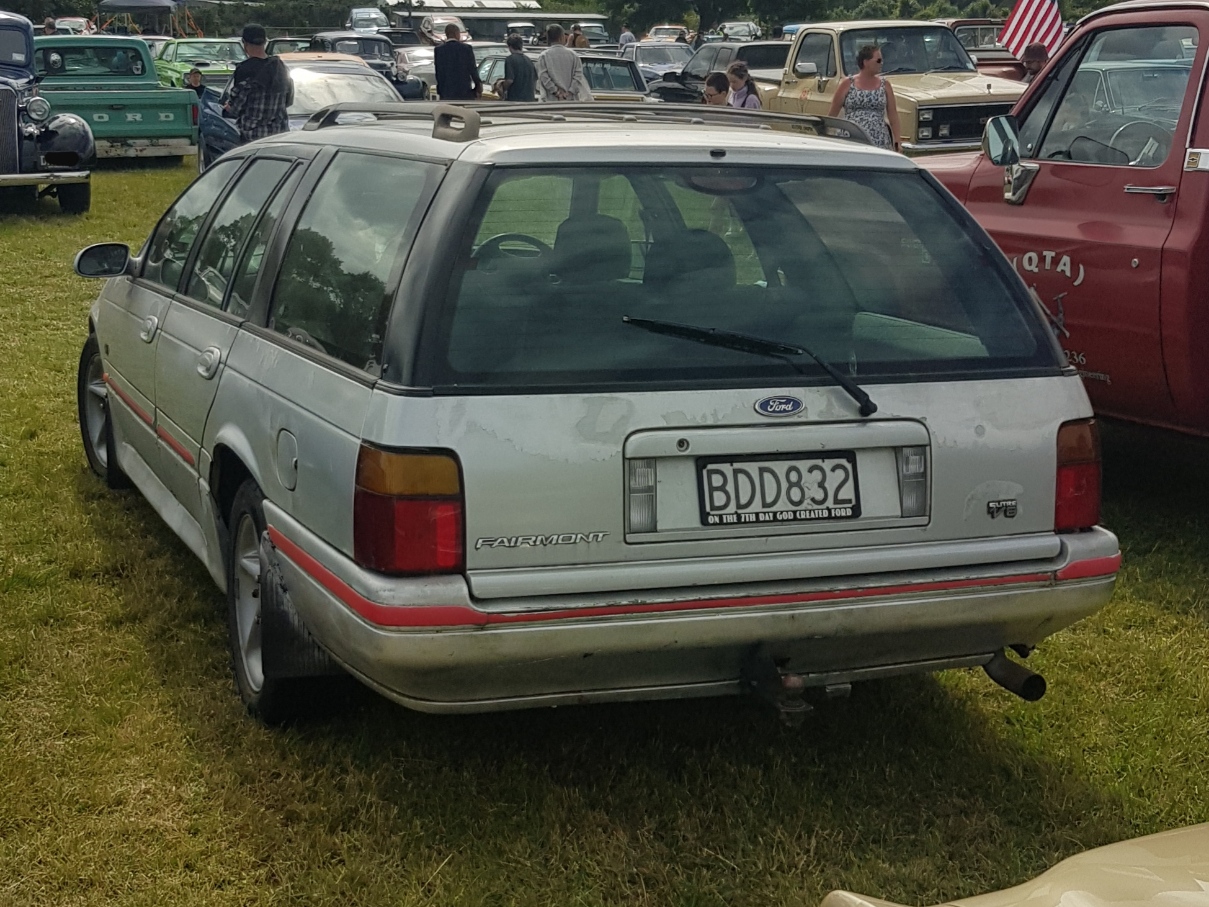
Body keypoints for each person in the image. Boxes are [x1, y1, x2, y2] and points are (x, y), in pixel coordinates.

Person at [224, 24, 292, 144]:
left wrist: (228, 107)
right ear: (265, 42)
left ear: (245, 43)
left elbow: (235, 108)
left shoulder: (244, 70)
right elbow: (288, 100)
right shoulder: (280, 66)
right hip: (279, 136)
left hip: (252, 138)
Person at [827, 43, 902, 151]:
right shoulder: (848, 83)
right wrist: (828, 136)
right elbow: (832, 114)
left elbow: (893, 115)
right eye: (878, 60)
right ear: (866, 62)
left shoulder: (885, 85)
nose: (881, 63)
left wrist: (897, 141)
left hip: (878, 139)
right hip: (851, 138)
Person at [537, 25, 593, 101]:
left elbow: (543, 77)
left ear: (548, 38)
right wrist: (569, 92)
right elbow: (578, 76)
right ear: (562, 37)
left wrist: (556, 92)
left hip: (549, 102)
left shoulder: (543, 56)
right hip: (571, 101)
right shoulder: (574, 55)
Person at [434, 22, 481, 100]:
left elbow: (439, 72)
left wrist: (440, 90)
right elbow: (472, 69)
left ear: (446, 34)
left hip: (447, 91)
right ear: (457, 34)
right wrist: (478, 85)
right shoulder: (466, 49)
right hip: (464, 90)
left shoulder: (439, 50)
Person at [496, 33, 537, 101]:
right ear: (521, 45)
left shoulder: (510, 59)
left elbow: (509, 80)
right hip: (530, 99)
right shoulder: (529, 60)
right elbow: (535, 79)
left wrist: (502, 87)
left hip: (515, 100)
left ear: (509, 46)